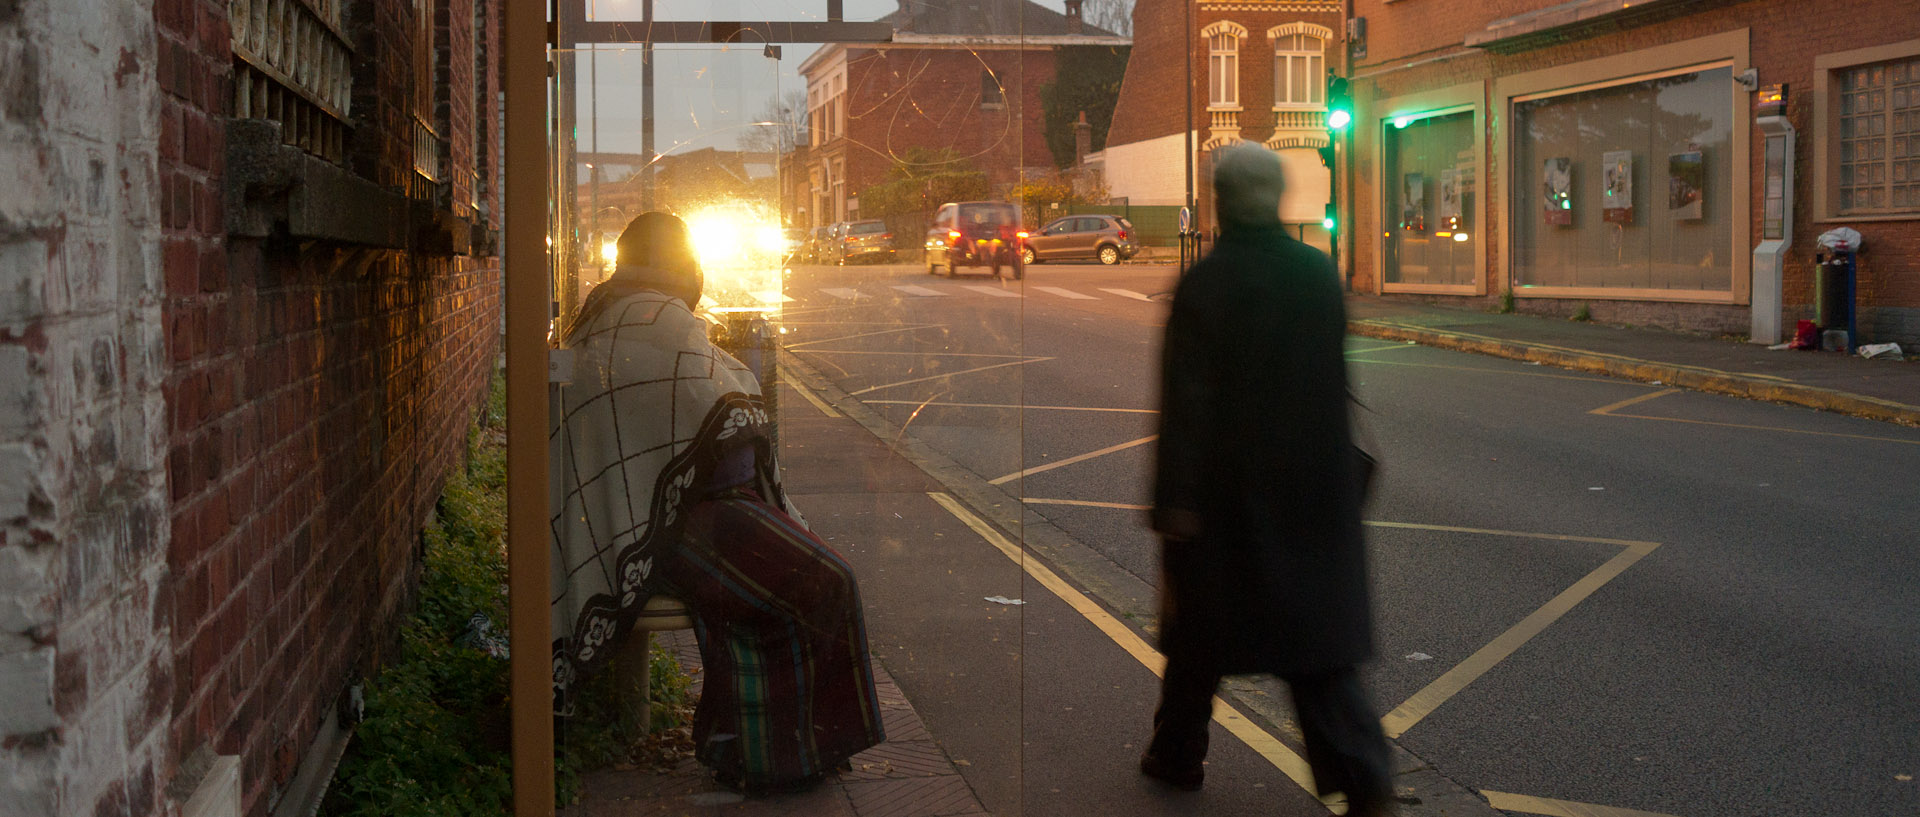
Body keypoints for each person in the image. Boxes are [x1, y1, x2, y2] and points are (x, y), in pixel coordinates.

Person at [550, 212, 884, 794]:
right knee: (826, 581)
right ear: (678, 262)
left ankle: (775, 747)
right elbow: (720, 402)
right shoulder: (653, 318)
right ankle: (778, 753)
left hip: (652, 517)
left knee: (814, 579)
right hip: (674, 525)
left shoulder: (610, 310)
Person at [1143, 144, 1393, 815]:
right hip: (1314, 487)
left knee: (1200, 631)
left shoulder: (1207, 283)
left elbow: (1186, 406)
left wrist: (1174, 502)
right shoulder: (1317, 273)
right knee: (1316, 649)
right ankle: (1365, 776)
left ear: (1221, 200)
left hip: (1230, 495)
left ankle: (1177, 751)